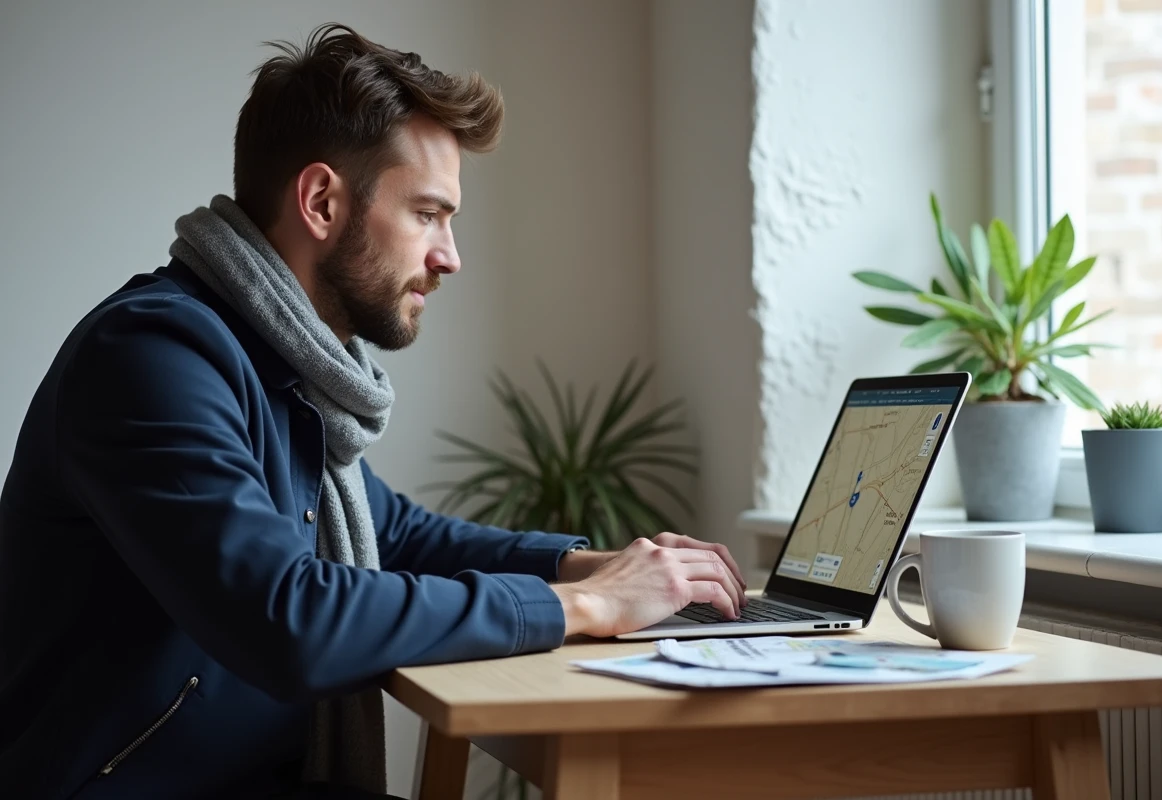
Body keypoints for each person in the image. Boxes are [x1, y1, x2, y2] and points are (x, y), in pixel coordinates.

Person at [0, 22, 747, 800]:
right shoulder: (150, 358)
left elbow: (392, 533)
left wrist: (577, 563)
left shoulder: (283, 369)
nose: (449, 254)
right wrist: (588, 604)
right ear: (322, 201)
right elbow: (286, 617)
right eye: (427, 213)